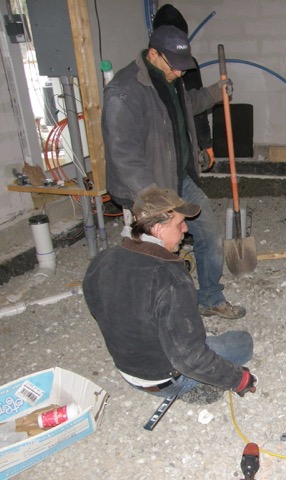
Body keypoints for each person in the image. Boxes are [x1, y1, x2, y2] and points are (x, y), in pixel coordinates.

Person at [102, 24, 245, 318]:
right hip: (145, 189)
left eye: (183, 67)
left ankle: (209, 298)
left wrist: (214, 93)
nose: (180, 73)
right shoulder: (124, 91)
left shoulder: (171, 78)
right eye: (175, 66)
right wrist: (153, 197)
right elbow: (123, 153)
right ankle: (151, 311)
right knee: (154, 250)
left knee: (208, 233)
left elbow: (187, 104)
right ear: (153, 53)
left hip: (178, 179)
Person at [83, 187, 256, 399]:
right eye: (179, 223)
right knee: (243, 341)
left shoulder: (101, 261)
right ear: (157, 229)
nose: (185, 229)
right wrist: (239, 380)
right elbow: (190, 359)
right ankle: (193, 389)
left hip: (128, 371)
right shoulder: (171, 279)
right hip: (166, 379)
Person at [152, 4, 215, 171]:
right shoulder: (140, 75)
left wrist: (204, 142)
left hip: (183, 145)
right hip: (157, 153)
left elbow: (196, 104)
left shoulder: (188, 64)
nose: (179, 73)